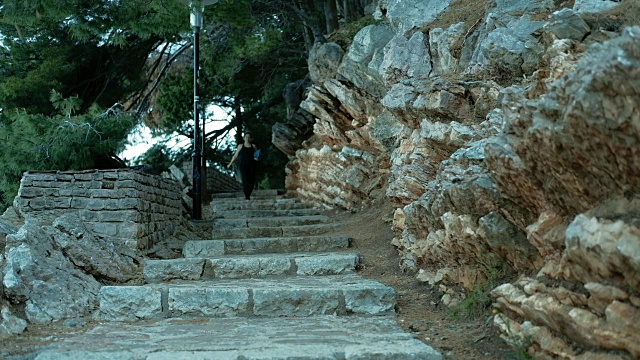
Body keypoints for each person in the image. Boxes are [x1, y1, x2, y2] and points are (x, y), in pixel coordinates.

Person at [227, 132, 258, 200]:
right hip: (243, 165)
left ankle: (249, 193)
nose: (247, 138)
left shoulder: (253, 146)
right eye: (246, 137)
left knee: (251, 180)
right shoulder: (240, 146)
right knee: (245, 179)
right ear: (244, 138)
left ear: (251, 139)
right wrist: (230, 163)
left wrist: (257, 158)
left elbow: (256, 155)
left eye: (248, 137)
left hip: (252, 165)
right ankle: (247, 195)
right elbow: (235, 155)